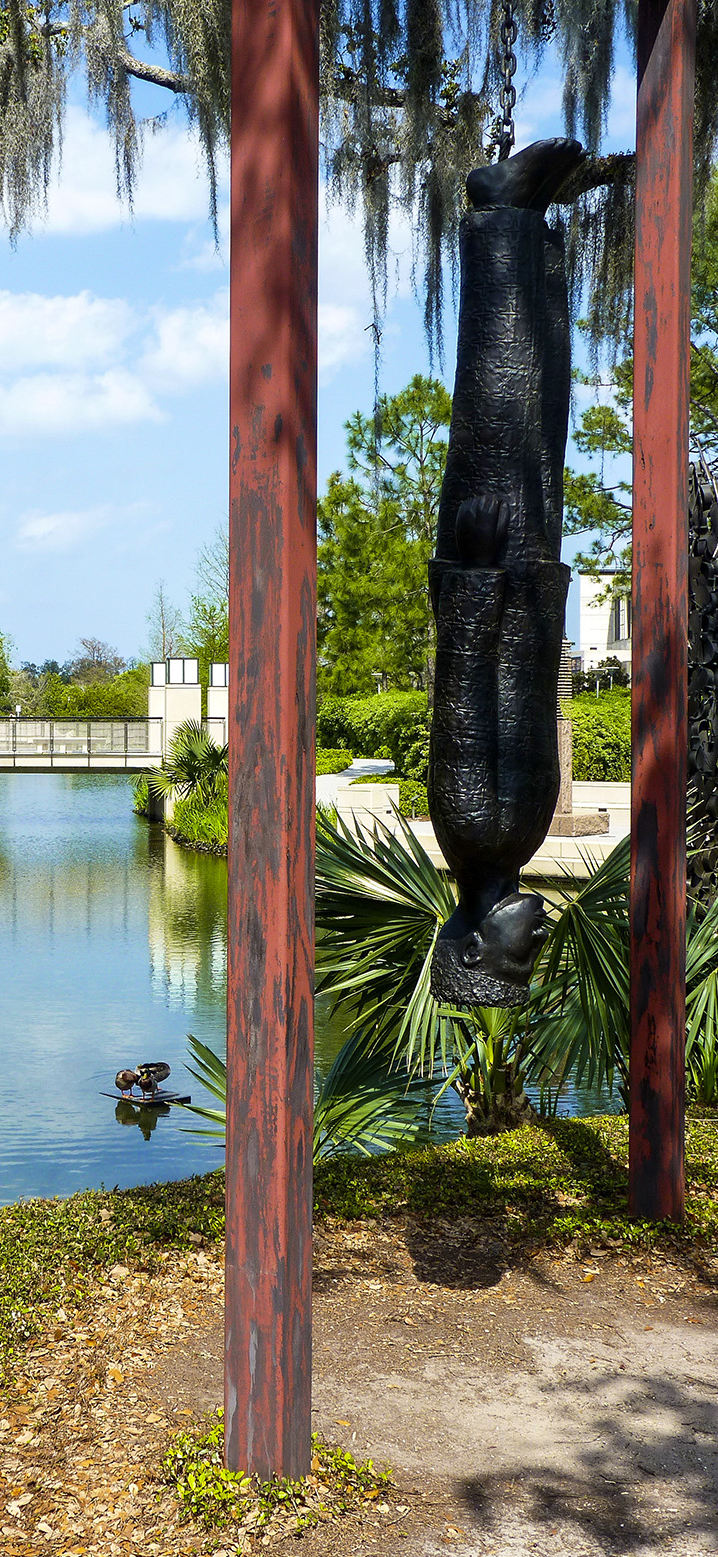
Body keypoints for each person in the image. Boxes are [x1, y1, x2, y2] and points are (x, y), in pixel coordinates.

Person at [428, 138, 586, 1005]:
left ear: (478, 944)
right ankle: (540, 241)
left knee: (498, 395)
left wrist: (478, 575)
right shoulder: (510, 845)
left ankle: (497, 215)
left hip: (488, 565)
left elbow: (462, 690)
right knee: (544, 413)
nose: (535, 937)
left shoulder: (472, 826)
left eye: (516, 954)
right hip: (528, 588)